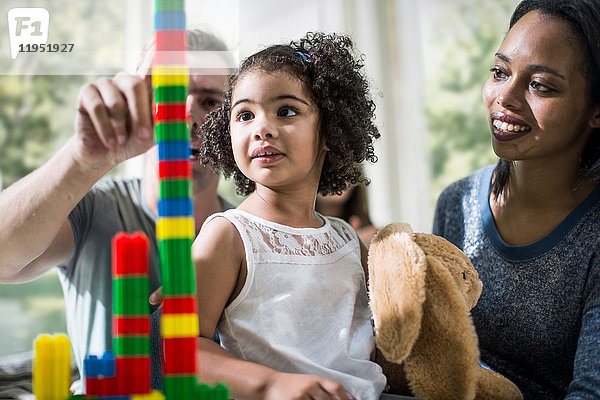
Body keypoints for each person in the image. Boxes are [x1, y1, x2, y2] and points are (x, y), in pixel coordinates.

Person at [0, 29, 232, 391]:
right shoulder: (94, 209)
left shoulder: (247, 235)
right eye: (168, 94)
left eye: (210, 102)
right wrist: (82, 159)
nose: (187, 118)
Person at [191, 32, 387, 400]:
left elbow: (374, 344)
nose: (262, 128)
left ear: (328, 129)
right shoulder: (228, 236)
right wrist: (271, 384)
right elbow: (181, 349)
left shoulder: (346, 238)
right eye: (245, 115)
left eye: (286, 111)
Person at [433, 1, 600, 398]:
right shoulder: (457, 204)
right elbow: (435, 351)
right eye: (499, 71)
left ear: (596, 110)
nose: (504, 97)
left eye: (540, 85)